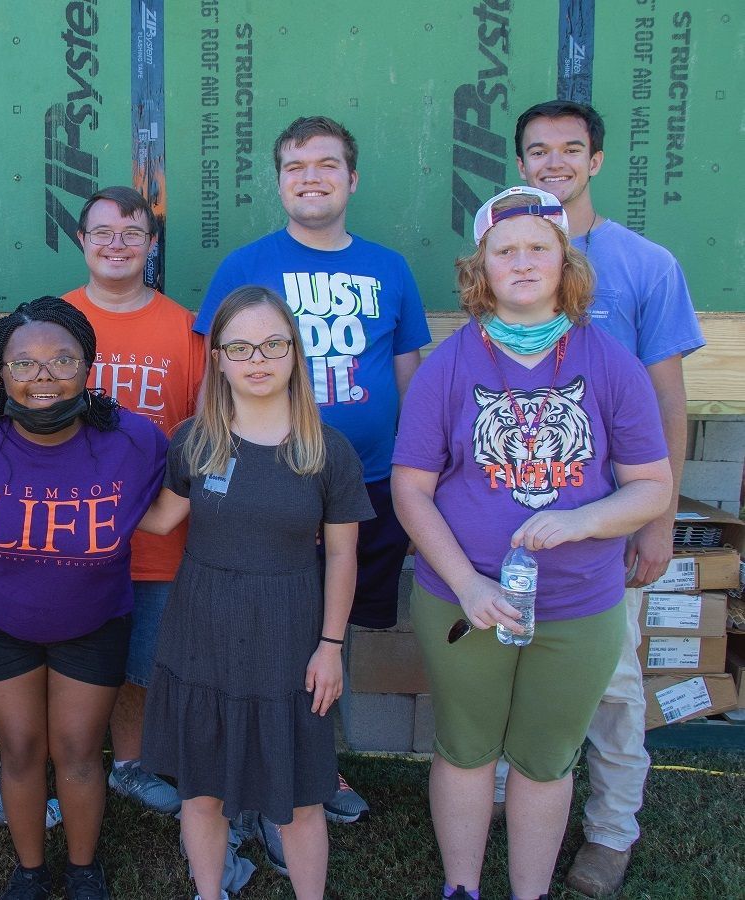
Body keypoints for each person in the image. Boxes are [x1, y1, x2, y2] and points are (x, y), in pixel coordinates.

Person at [391, 187, 672, 900]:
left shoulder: (609, 362)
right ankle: (462, 887)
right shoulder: (449, 367)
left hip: (580, 603)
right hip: (465, 599)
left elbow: (650, 485)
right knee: (465, 751)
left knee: (547, 760)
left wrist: (584, 521)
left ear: (565, 262)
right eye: (504, 249)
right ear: (480, 268)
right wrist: (468, 584)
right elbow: (411, 489)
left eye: (538, 247)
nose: (522, 261)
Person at [197, 115, 431, 843]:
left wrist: (421, 474)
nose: (311, 177)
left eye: (327, 164)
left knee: (336, 637)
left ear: (352, 179)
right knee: (259, 629)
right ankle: (248, 774)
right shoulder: (245, 266)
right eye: (295, 165)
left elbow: (411, 377)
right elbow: (211, 376)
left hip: (368, 485)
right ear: (279, 181)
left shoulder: (390, 268)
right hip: (268, 485)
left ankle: (316, 769)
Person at [494, 100, 705, 898]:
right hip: (517, 516)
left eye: (570, 150)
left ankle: (611, 834)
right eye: (538, 151)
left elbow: (668, 406)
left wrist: (659, 519)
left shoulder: (644, 265)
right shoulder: (503, 254)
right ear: (521, 166)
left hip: (611, 516)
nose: (554, 162)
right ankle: (518, 812)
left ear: (597, 161)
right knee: (516, 671)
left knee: (613, 686)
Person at [0, 187, 205, 827]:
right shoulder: (51, 322)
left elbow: (195, 434)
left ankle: (127, 763)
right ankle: (24, 772)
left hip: (150, 539)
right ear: (81, 241)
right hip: (54, 536)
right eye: (102, 231)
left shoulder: (186, 329)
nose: (116, 244)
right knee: (38, 659)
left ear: (151, 246)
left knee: (134, 667)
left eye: (132, 233)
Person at [138, 286, 373, 900]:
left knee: (297, 794)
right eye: (239, 347)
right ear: (217, 358)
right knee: (203, 788)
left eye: (273, 343)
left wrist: (331, 646)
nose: (257, 359)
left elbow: (344, 554)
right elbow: (158, 519)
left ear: (295, 352)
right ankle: (208, 892)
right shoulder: (196, 440)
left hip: (289, 636)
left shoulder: (327, 449)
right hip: (203, 631)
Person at [0, 297, 168, 900]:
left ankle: (82, 868)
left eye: (61, 360)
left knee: (75, 750)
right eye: (24, 363)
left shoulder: (136, 440)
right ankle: (29, 870)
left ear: (89, 366)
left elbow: (182, 499)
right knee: (20, 747)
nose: (42, 376)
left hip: (93, 618)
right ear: (1, 373)